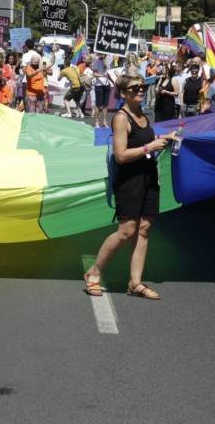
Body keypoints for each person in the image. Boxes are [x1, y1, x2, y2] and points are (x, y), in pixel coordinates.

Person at [83, 74, 177, 300]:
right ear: (123, 93)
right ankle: (94, 272)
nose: (140, 90)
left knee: (144, 229)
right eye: (135, 88)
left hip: (148, 177)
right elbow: (121, 155)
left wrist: (164, 137)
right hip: (129, 180)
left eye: (142, 86)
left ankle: (135, 283)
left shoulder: (143, 115)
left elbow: (143, 139)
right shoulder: (121, 118)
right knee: (126, 231)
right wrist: (149, 147)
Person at [91, 53, 112, 127]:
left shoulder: (109, 59)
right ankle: (97, 121)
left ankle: (105, 121)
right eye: (102, 54)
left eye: (104, 54)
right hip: (99, 85)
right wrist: (103, 75)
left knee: (105, 104)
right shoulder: (97, 61)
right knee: (98, 104)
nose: (103, 55)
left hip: (107, 84)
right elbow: (94, 74)